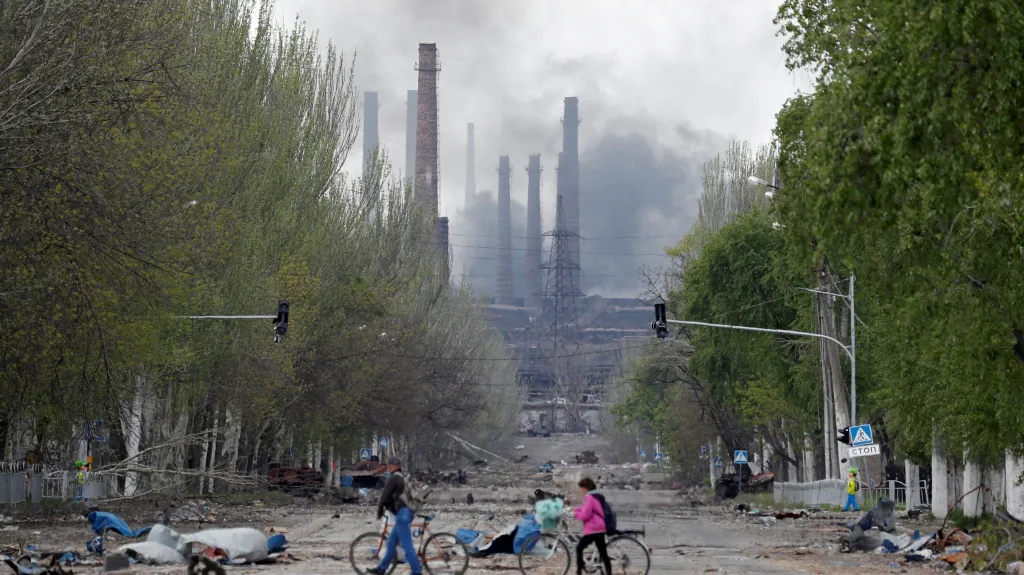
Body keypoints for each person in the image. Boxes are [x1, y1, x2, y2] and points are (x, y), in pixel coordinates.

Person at [365, 456, 422, 575]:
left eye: (389, 466)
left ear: (390, 466)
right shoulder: (403, 476)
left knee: (407, 545)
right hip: (407, 513)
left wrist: (379, 511)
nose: (388, 468)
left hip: (403, 514)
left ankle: (417, 571)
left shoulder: (394, 478)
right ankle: (381, 569)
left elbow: (384, 496)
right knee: (391, 543)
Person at [572, 477, 612, 575]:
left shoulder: (589, 498)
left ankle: (579, 571)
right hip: (600, 527)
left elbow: (585, 515)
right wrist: (576, 509)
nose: (580, 491)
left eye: (580, 488)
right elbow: (589, 509)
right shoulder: (596, 496)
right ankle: (609, 573)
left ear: (585, 488)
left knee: (579, 548)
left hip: (593, 529)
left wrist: (574, 514)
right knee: (603, 553)